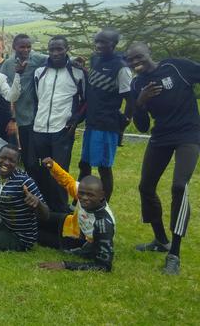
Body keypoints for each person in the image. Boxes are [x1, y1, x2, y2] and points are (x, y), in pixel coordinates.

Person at [127, 42, 200, 275]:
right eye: (130, 60)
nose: (135, 62)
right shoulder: (137, 83)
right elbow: (142, 126)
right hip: (161, 136)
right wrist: (140, 101)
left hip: (188, 134)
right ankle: (160, 240)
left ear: (149, 52)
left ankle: (174, 254)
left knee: (179, 186)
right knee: (145, 187)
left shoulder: (176, 66)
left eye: (138, 57)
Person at [77, 28, 134, 201]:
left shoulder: (121, 68)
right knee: (84, 164)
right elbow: (95, 84)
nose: (99, 45)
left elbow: (129, 97)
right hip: (92, 122)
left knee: (103, 167)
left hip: (107, 125)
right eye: (97, 41)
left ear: (114, 45)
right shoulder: (95, 59)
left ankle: (104, 204)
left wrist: (124, 121)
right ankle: (79, 199)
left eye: (104, 42)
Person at [32, 35, 86, 213]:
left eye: (59, 49)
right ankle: (44, 206)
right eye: (52, 49)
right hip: (40, 128)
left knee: (60, 171)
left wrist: (76, 119)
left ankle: (62, 210)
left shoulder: (78, 72)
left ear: (66, 48)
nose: (55, 53)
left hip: (62, 130)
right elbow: (37, 98)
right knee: (42, 171)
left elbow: (86, 101)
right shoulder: (39, 72)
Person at [38, 158, 115, 272]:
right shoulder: (82, 191)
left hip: (78, 243)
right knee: (35, 218)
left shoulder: (103, 224)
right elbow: (68, 181)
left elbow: (104, 266)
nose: (84, 198)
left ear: (102, 196)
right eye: (81, 194)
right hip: (71, 224)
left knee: (35, 235)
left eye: (90, 195)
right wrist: (53, 166)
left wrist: (65, 265)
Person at [0, 34, 48, 178]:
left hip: (37, 116)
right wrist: (12, 117)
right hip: (22, 117)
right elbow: (4, 87)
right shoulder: (8, 65)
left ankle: (40, 186)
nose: (26, 50)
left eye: (28, 46)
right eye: (22, 47)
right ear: (14, 47)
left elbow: (54, 57)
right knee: (27, 158)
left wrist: (72, 60)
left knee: (36, 159)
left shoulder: (36, 58)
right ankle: (31, 185)